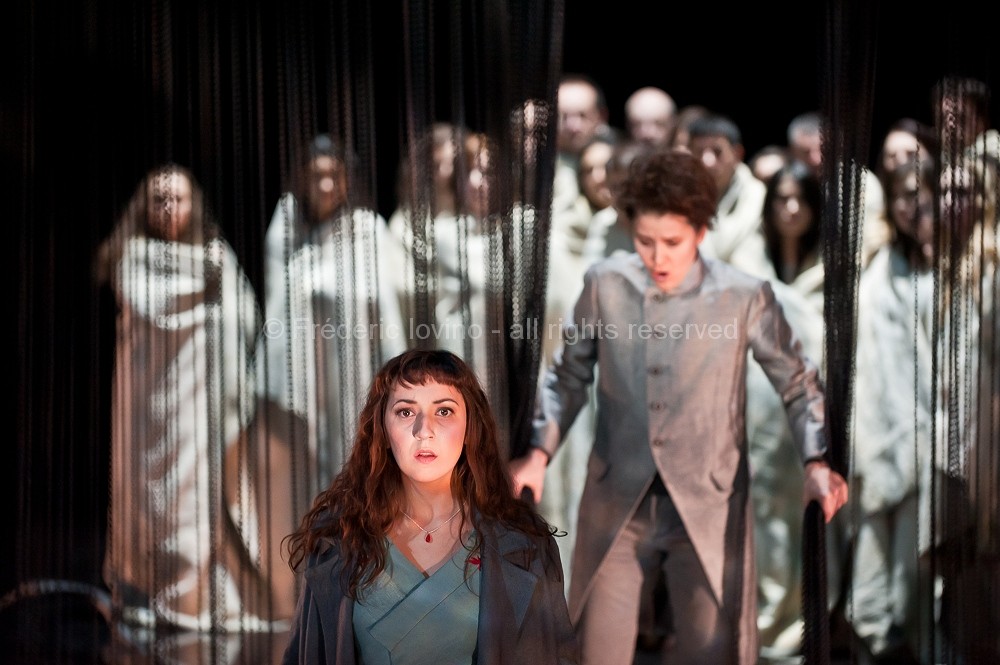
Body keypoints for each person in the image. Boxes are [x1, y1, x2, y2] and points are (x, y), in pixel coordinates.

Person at [511, 149, 849, 665]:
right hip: (619, 496)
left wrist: (816, 461)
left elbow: (799, 383)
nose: (658, 257)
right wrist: (538, 453)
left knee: (713, 651)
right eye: (645, 241)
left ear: (701, 232)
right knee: (595, 649)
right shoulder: (605, 283)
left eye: (672, 242)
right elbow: (568, 375)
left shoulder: (743, 295)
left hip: (709, 500)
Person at [281, 349, 580, 664]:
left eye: (444, 411)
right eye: (406, 412)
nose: (424, 430)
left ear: (470, 428)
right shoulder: (338, 538)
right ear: (382, 431)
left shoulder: (525, 546)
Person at [95, 164, 280, 632]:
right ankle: (148, 590)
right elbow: (153, 305)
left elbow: (244, 315)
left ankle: (198, 596)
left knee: (199, 497)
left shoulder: (216, 254)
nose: (169, 208)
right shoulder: (135, 256)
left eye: (177, 198)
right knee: (150, 499)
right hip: (149, 408)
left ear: (194, 204)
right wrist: (203, 288)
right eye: (159, 199)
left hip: (202, 407)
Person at [260, 134, 405, 494]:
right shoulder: (287, 226)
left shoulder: (367, 228)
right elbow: (278, 300)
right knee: (306, 471)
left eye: (334, 176)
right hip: (302, 370)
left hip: (356, 364)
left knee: (355, 453)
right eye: (316, 176)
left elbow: (386, 305)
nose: (326, 185)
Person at [850, 157, 938, 664]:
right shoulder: (878, 261)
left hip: (925, 443)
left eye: (921, 195)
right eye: (903, 195)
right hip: (873, 437)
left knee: (914, 583)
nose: (913, 206)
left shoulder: (944, 267)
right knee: (868, 590)